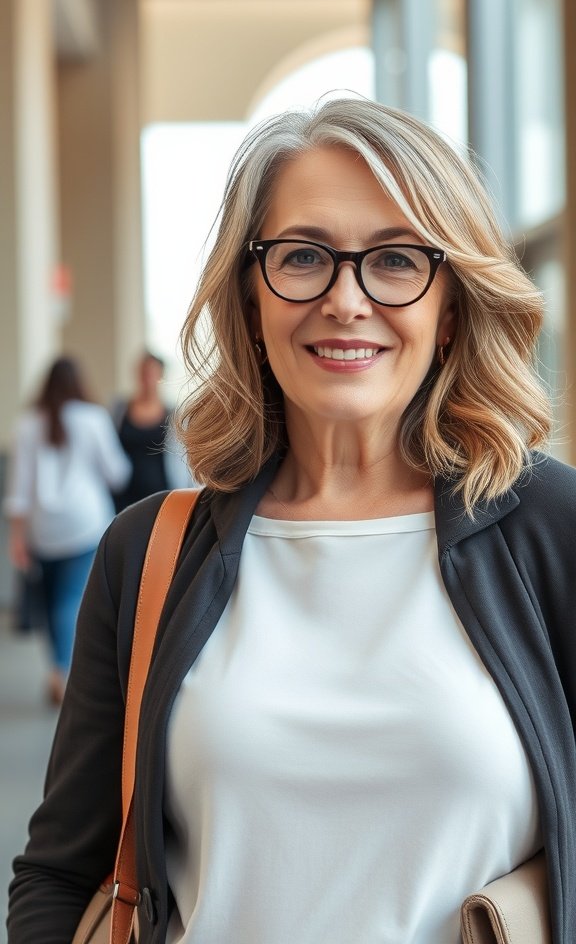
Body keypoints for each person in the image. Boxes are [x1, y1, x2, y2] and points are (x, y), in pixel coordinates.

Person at [6, 98, 576, 944]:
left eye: (395, 261)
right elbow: (61, 874)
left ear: (450, 307)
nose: (347, 301)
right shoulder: (150, 552)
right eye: (304, 256)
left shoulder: (552, 530)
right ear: (251, 294)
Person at [3, 356, 131, 705]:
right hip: (85, 525)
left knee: (49, 604)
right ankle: (63, 673)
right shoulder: (93, 418)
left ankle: (57, 670)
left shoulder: (28, 423)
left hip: (42, 530)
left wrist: (17, 537)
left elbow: (18, 489)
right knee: (69, 600)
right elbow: (117, 472)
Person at [112, 350, 194, 512]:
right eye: (144, 373)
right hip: (123, 497)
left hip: (162, 497)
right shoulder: (119, 411)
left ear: (161, 376)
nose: (147, 378)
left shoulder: (174, 415)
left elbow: (183, 459)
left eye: (152, 373)